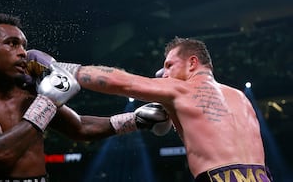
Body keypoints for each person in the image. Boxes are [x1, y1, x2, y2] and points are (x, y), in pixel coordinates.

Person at [0, 13, 172, 182]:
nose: (22, 52)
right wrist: (48, 101)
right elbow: (1, 154)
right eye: (11, 43)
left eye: (23, 45)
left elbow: (80, 127)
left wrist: (136, 119)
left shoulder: (28, 93)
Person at [36, 37, 273, 181]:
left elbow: (124, 82)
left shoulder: (180, 90)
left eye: (169, 64)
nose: (165, 73)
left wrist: (65, 69)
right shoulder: (240, 97)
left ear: (192, 62)